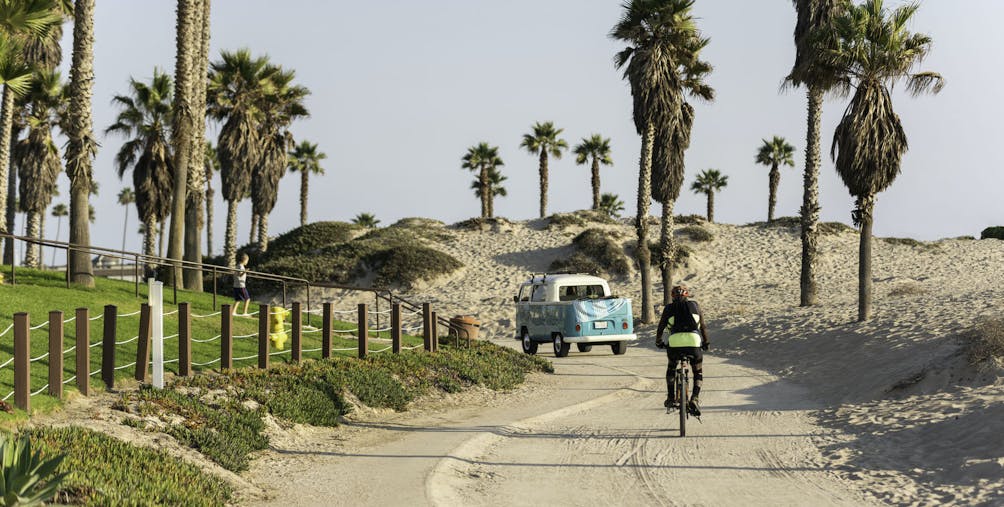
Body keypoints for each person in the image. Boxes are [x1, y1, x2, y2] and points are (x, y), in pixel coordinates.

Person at [655, 285, 710, 416]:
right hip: (694, 341)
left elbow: (661, 327)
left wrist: (659, 341)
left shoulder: (668, 308)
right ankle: (695, 398)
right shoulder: (695, 305)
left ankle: (670, 397)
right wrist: (706, 342)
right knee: (697, 371)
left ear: (672, 297)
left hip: (674, 342)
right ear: (687, 296)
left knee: (671, 367)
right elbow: (703, 326)